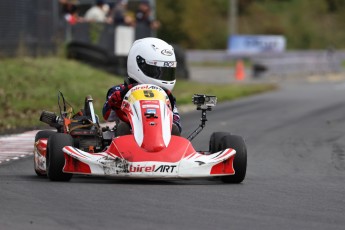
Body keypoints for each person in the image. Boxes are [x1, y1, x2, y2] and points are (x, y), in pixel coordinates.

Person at [102, 37, 181, 136]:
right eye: (157, 71)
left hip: (160, 141)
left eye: (167, 72)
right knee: (123, 128)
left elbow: (177, 123)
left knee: (174, 129)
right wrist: (115, 103)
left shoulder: (167, 98)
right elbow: (107, 116)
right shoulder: (119, 91)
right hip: (126, 140)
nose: (163, 76)